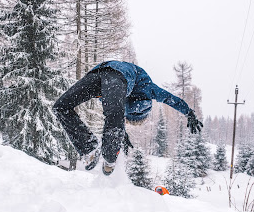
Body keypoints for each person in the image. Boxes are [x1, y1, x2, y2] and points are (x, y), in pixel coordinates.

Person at [53, 60, 203, 175]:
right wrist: (188, 112)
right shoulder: (149, 88)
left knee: (61, 106)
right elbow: (171, 99)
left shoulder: (127, 98)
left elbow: (114, 108)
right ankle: (107, 157)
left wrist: (120, 132)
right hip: (117, 75)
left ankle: (89, 147)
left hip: (98, 73)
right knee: (113, 114)